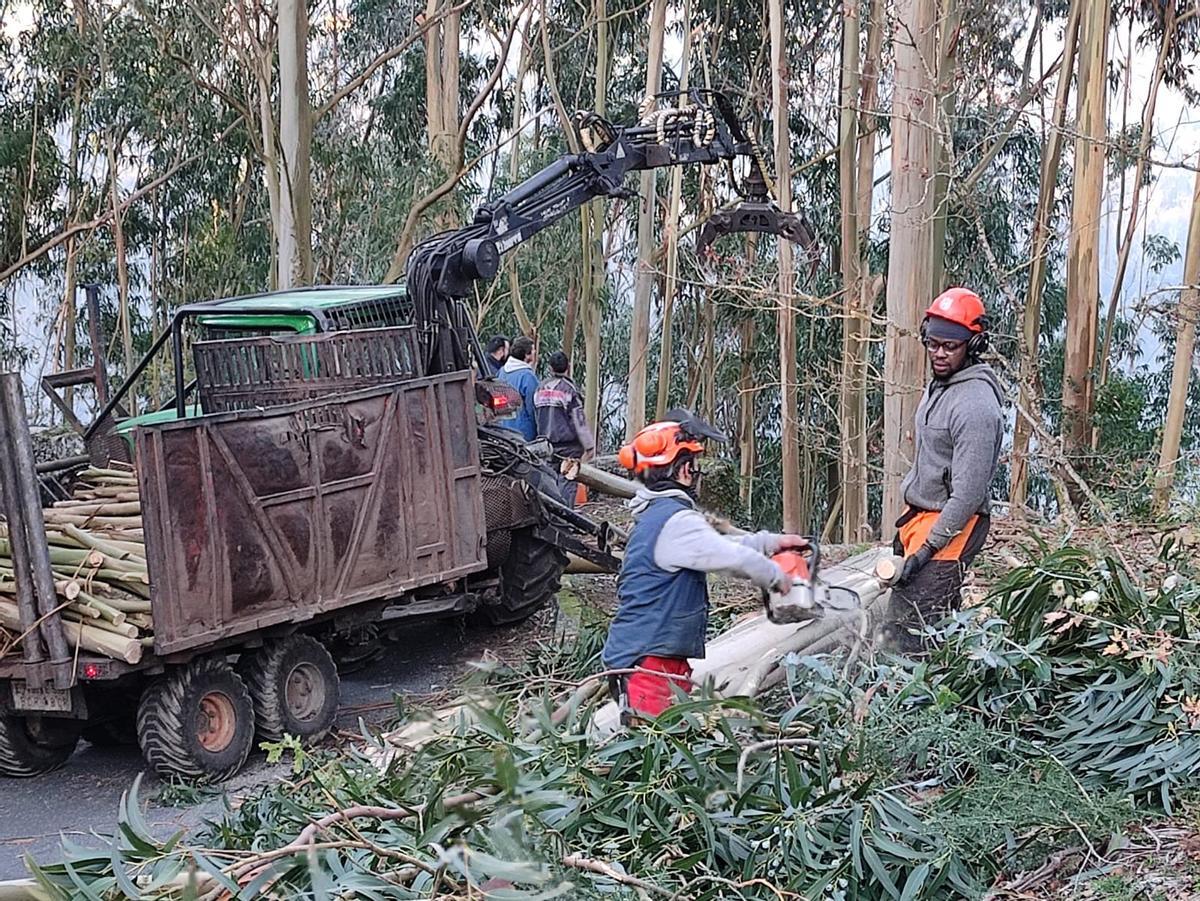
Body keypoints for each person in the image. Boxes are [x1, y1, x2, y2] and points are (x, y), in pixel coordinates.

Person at [602, 409, 809, 720]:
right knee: (657, 754)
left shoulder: (661, 517)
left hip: (653, 659)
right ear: (683, 470)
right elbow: (734, 560)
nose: (696, 474)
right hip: (648, 666)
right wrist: (780, 579)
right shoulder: (676, 521)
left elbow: (719, 546)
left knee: (672, 748)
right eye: (693, 465)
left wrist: (771, 543)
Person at [886, 287, 1004, 652]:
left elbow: (967, 495)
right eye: (933, 344)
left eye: (950, 346)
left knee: (912, 636)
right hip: (921, 519)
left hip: (952, 527)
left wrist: (926, 552)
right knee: (910, 622)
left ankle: (917, 703)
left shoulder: (975, 407)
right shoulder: (941, 385)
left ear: (973, 344)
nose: (939, 353)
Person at [534, 352, 595, 505]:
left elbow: (535, 415)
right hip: (569, 447)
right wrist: (589, 445)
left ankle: (553, 519)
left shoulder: (540, 389)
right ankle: (565, 520)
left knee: (550, 484)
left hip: (546, 445)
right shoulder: (569, 390)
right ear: (568, 367)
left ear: (550, 368)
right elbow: (579, 421)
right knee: (567, 484)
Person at [497, 336, 539, 441]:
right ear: (526, 354)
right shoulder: (527, 376)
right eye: (533, 350)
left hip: (504, 429)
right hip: (524, 433)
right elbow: (533, 408)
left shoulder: (501, 372)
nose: (535, 352)